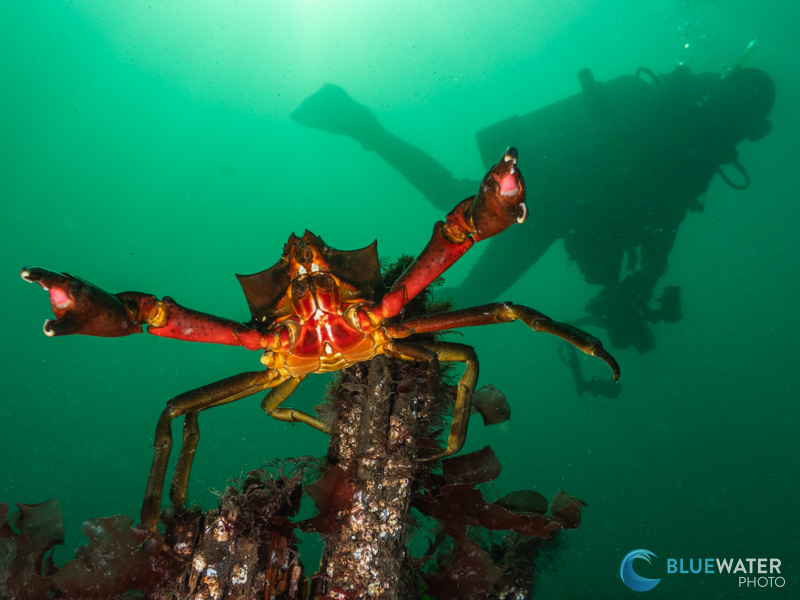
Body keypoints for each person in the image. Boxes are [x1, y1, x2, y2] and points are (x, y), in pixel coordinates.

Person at [291, 64, 774, 354]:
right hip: (564, 196)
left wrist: (631, 284)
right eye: (750, 125)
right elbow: (660, 221)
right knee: (475, 292)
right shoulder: (693, 138)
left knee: (455, 204)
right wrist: (638, 288)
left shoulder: (686, 123)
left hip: (565, 187)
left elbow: (650, 213)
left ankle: (363, 128)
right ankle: (383, 333)